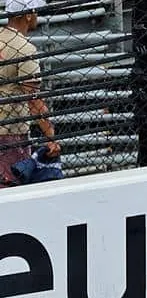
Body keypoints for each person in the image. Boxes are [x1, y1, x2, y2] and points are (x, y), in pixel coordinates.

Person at [0, 0, 58, 182]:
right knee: (10, 187)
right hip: (9, 132)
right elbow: (33, 99)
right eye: (36, 13)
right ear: (28, 15)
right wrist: (50, 136)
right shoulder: (25, 49)